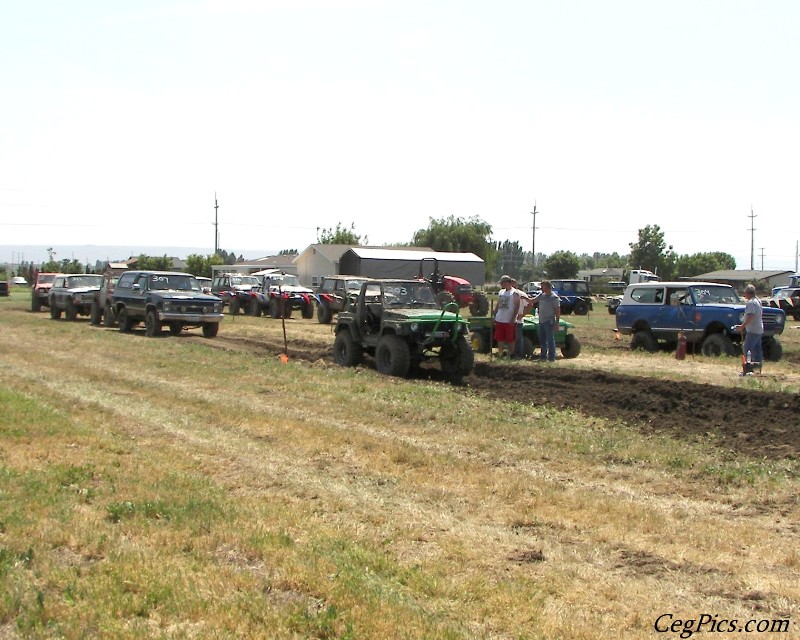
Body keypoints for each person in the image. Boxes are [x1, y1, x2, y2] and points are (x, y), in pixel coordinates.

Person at [735, 283, 763, 374]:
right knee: (757, 349)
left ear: (748, 293)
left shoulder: (751, 303)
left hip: (753, 330)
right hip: (759, 329)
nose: (744, 294)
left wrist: (742, 326)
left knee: (747, 348)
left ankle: (748, 369)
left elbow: (750, 316)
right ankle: (758, 368)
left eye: (745, 292)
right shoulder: (758, 301)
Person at [494, 275, 520, 358]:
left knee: (510, 339)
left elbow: (517, 306)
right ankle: (500, 354)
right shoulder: (501, 292)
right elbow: (498, 304)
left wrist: (513, 318)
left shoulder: (514, 293)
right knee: (500, 338)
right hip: (500, 319)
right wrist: (494, 315)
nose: (501, 285)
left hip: (509, 320)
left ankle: (511, 354)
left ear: (507, 283)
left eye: (502, 283)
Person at [535, 279, 561, 362]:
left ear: (547, 287)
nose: (541, 288)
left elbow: (557, 310)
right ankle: (543, 357)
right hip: (541, 321)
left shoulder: (554, 298)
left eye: (542, 286)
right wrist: (524, 297)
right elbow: (532, 300)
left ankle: (551, 357)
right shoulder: (541, 295)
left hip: (549, 321)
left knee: (550, 340)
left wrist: (557, 322)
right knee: (542, 339)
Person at [511, 279, 533, 359]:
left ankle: (518, 354)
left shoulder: (521, 294)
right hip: (507, 319)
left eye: (513, 284)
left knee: (517, 338)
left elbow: (530, 304)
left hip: (517, 320)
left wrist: (523, 314)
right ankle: (511, 353)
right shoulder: (506, 293)